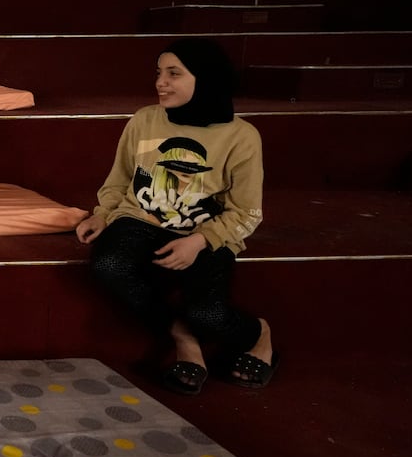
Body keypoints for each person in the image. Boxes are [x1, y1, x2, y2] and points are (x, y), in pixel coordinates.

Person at [73, 38, 276, 395]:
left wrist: (199, 242)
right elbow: (120, 179)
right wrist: (103, 215)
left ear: (206, 78)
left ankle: (257, 333)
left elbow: (247, 212)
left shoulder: (242, 136)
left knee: (209, 315)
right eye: (158, 73)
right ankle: (180, 334)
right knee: (108, 265)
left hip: (205, 232)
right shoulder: (145, 119)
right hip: (141, 220)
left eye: (174, 74)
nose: (160, 83)